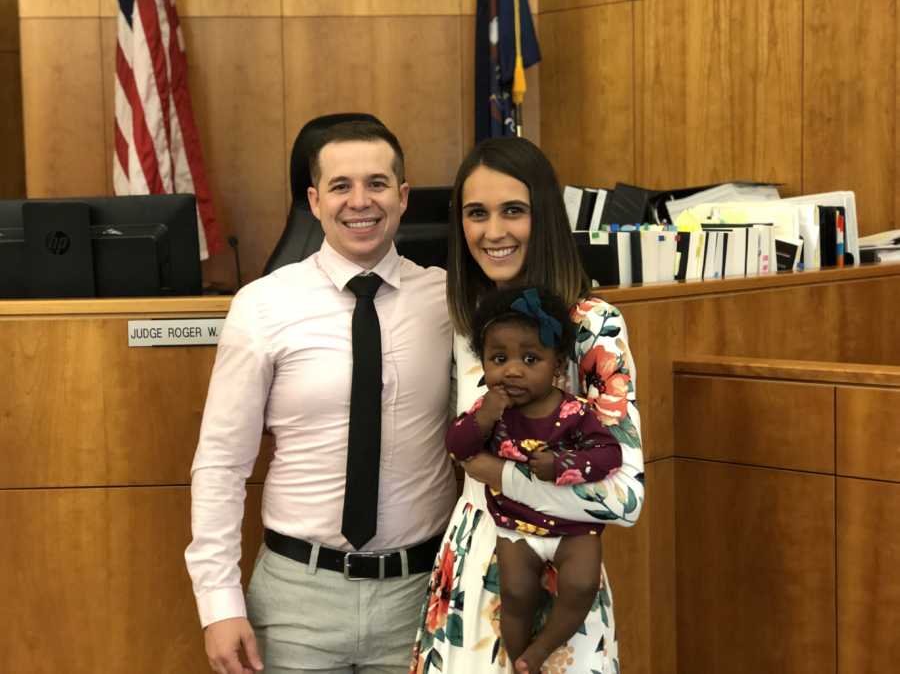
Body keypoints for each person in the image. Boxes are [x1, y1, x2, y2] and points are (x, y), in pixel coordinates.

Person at [186, 119, 458, 674]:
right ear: (314, 201)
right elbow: (221, 463)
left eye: (378, 184)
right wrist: (218, 603)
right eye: (340, 186)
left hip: (420, 593)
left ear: (403, 197)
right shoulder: (262, 305)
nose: (361, 201)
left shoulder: (448, 300)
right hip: (296, 600)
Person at [409, 137, 645, 674]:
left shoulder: (591, 324)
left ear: (544, 217)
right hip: (469, 568)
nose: (494, 231)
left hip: (560, 576)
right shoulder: (464, 321)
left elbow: (625, 499)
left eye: (513, 210)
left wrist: (502, 477)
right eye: (477, 213)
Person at [446, 285, 624, 673]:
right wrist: (484, 416)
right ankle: (519, 659)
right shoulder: (492, 408)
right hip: (515, 524)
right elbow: (458, 445)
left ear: (557, 365)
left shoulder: (574, 411)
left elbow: (609, 455)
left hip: (573, 529)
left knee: (580, 586)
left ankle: (540, 651)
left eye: (530, 358)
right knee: (514, 592)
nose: (512, 369)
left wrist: (564, 464)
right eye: (498, 358)